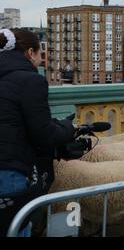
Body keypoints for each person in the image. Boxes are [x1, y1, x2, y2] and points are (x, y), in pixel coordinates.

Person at [0, 28, 75, 236]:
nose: (42, 60)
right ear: (29, 52)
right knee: (15, 228)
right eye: (41, 54)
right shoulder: (30, 81)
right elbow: (44, 134)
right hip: (9, 172)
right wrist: (67, 128)